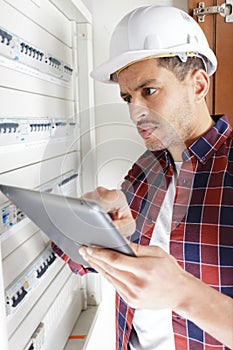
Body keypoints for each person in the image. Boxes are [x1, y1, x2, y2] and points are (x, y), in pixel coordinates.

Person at [52, 5, 233, 350]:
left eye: (148, 91)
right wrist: (91, 227)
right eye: (127, 97)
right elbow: (83, 262)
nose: (136, 112)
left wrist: (185, 294)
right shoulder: (146, 169)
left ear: (198, 84)